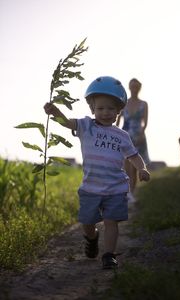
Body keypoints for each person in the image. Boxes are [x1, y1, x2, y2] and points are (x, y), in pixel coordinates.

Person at [44, 76, 150, 269]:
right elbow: (67, 123)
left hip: (115, 188)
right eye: (100, 108)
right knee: (87, 222)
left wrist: (141, 168)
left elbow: (134, 155)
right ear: (92, 109)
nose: (105, 113)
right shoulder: (86, 126)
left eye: (111, 109)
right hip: (90, 188)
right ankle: (92, 239)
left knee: (111, 222)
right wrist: (56, 112)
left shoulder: (122, 135)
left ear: (119, 111)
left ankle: (109, 255)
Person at [116, 78, 150, 197]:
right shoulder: (123, 102)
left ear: (139, 88)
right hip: (125, 135)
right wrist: (115, 132)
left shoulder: (144, 104)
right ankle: (126, 192)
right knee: (126, 165)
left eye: (136, 87)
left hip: (138, 135)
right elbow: (118, 119)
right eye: (132, 86)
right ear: (129, 88)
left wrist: (142, 133)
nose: (134, 89)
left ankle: (133, 193)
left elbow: (145, 122)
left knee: (135, 167)